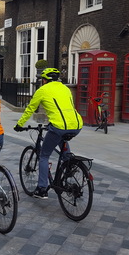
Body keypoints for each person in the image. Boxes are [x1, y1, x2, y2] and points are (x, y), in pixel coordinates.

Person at [13, 68, 83, 199]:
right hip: (76, 124)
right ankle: (68, 164)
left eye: (41, 80)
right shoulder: (65, 88)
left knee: (44, 155)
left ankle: (42, 189)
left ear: (44, 80)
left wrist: (19, 124)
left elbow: (30, 109)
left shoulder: (42, 90)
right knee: (62, 138)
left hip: (59, 126)